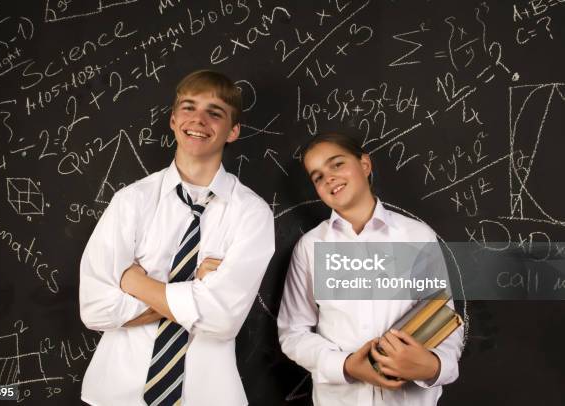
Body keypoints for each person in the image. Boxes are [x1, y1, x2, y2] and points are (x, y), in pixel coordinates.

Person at [79, 70, 275, 406]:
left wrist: (134, 282)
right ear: (173, 120)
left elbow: (222, 320)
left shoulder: (252, 214)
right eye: (189, 108)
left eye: (215, 112)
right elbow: (95, 309)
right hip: (114, 394)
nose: (199, 120)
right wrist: (196, 292)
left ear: (233, 130)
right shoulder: (131, 201)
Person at [277, 133, 464, 405]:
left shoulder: (416, 237)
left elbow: (443, 318)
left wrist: (433, 365)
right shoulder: (310, 247)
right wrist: (346, 365)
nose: (328, 177)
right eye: (317, 176)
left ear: (365, 165)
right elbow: (293, 332)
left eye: (337, 164)